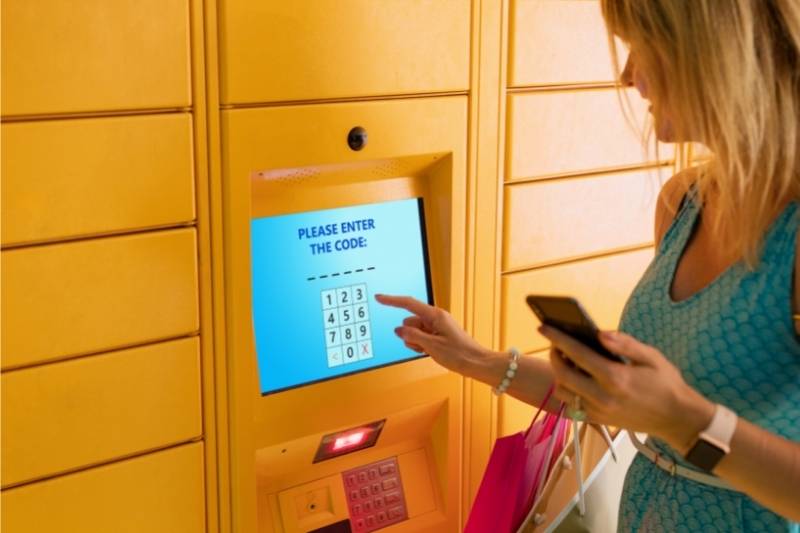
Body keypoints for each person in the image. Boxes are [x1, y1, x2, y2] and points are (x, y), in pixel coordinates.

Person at [376, 0, 800, 530]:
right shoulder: (681, 203)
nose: (627, 75)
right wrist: (474, 360)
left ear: (713, 51)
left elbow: (679, 418)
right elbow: (621, 403)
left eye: (640, 47)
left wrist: (686, 420)